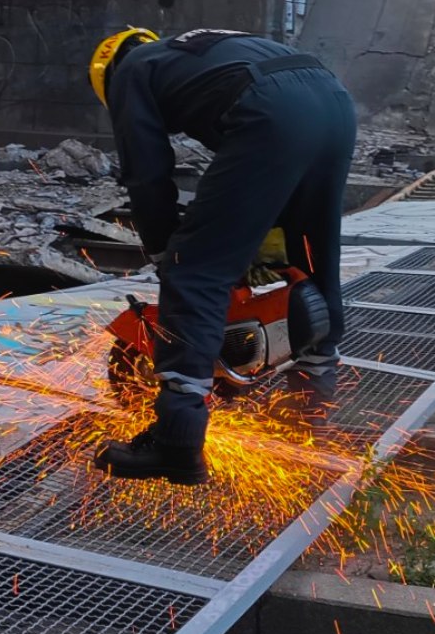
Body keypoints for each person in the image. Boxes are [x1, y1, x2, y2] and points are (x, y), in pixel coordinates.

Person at [88, 28, 356, 484]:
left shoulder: (130, 71)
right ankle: (309, 417)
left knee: (193, 271)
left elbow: (147, 174)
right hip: (333, 105)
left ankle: (176, 443)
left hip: (274, 113)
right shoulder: (196, 49)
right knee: (310, 255)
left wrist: (163, 248)